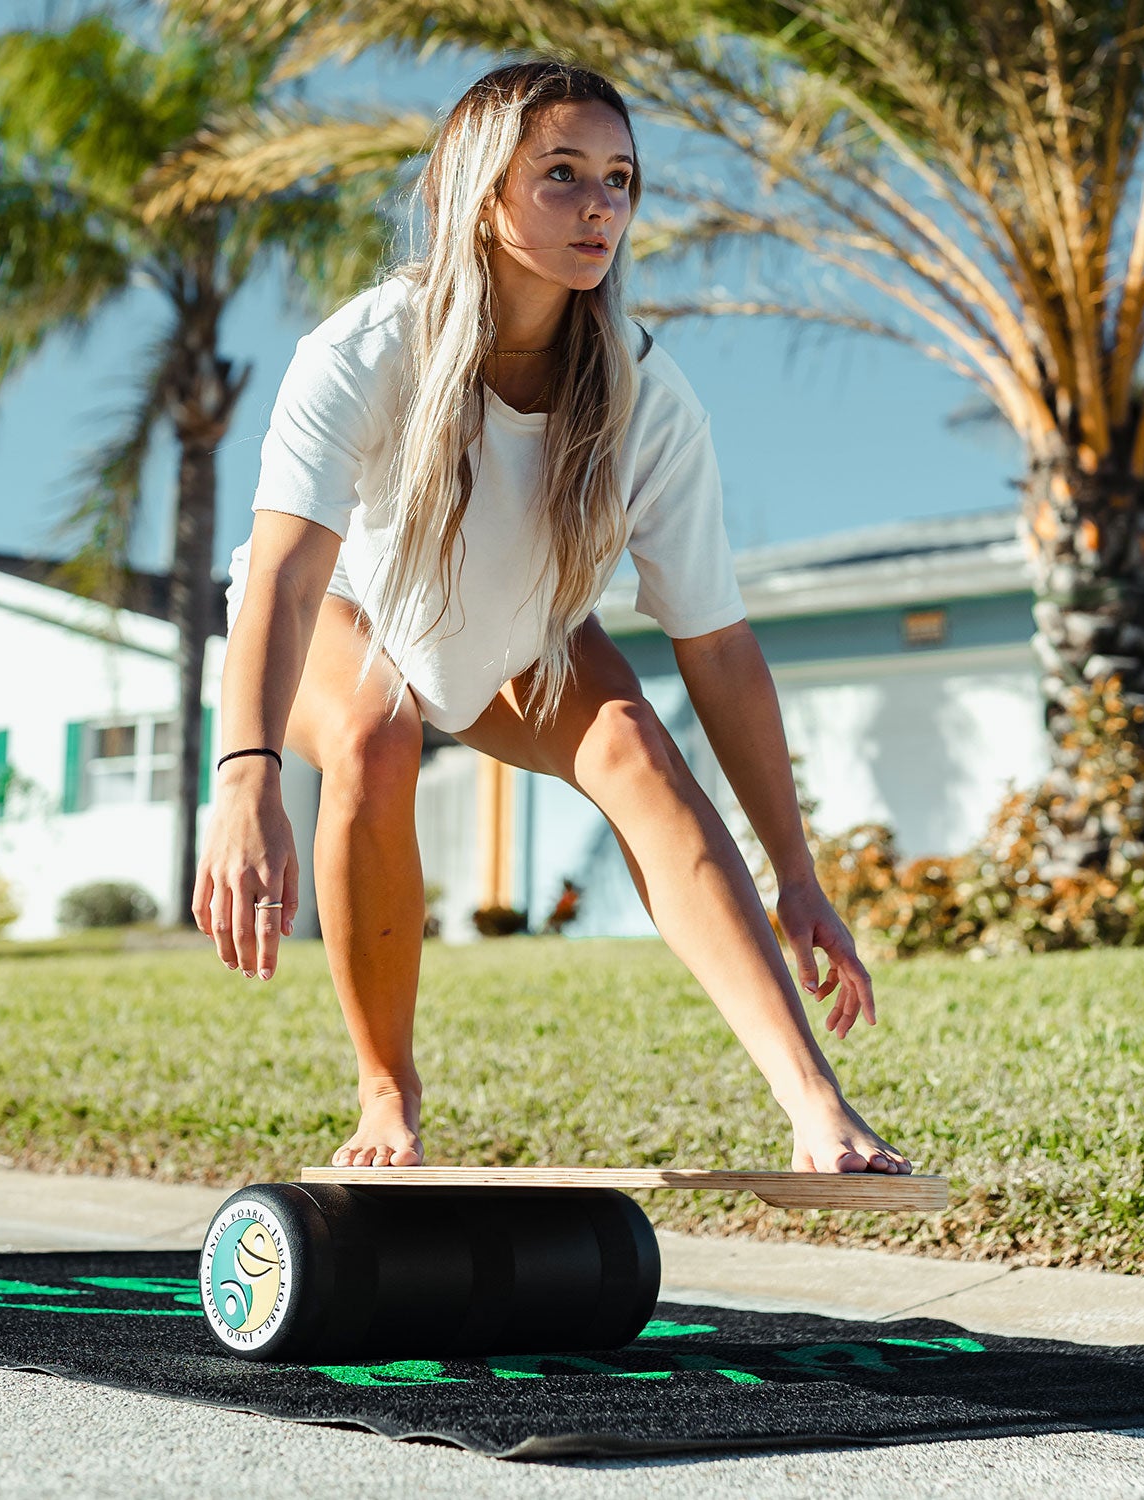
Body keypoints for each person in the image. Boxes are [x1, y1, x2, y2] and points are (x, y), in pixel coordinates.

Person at [195, 59, 910, 1178]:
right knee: (379, 732)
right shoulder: (366, 350)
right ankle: (387, 1091)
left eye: (619, 181)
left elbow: (716, 645)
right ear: (478, 194)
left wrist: (799, 875)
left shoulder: (642, 394)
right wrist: (243, 779)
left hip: (519, 638)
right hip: (344, 614)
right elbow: (285, 580)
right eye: (562, 176)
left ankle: (815, 1103)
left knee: (631, 742)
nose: (599, 209)